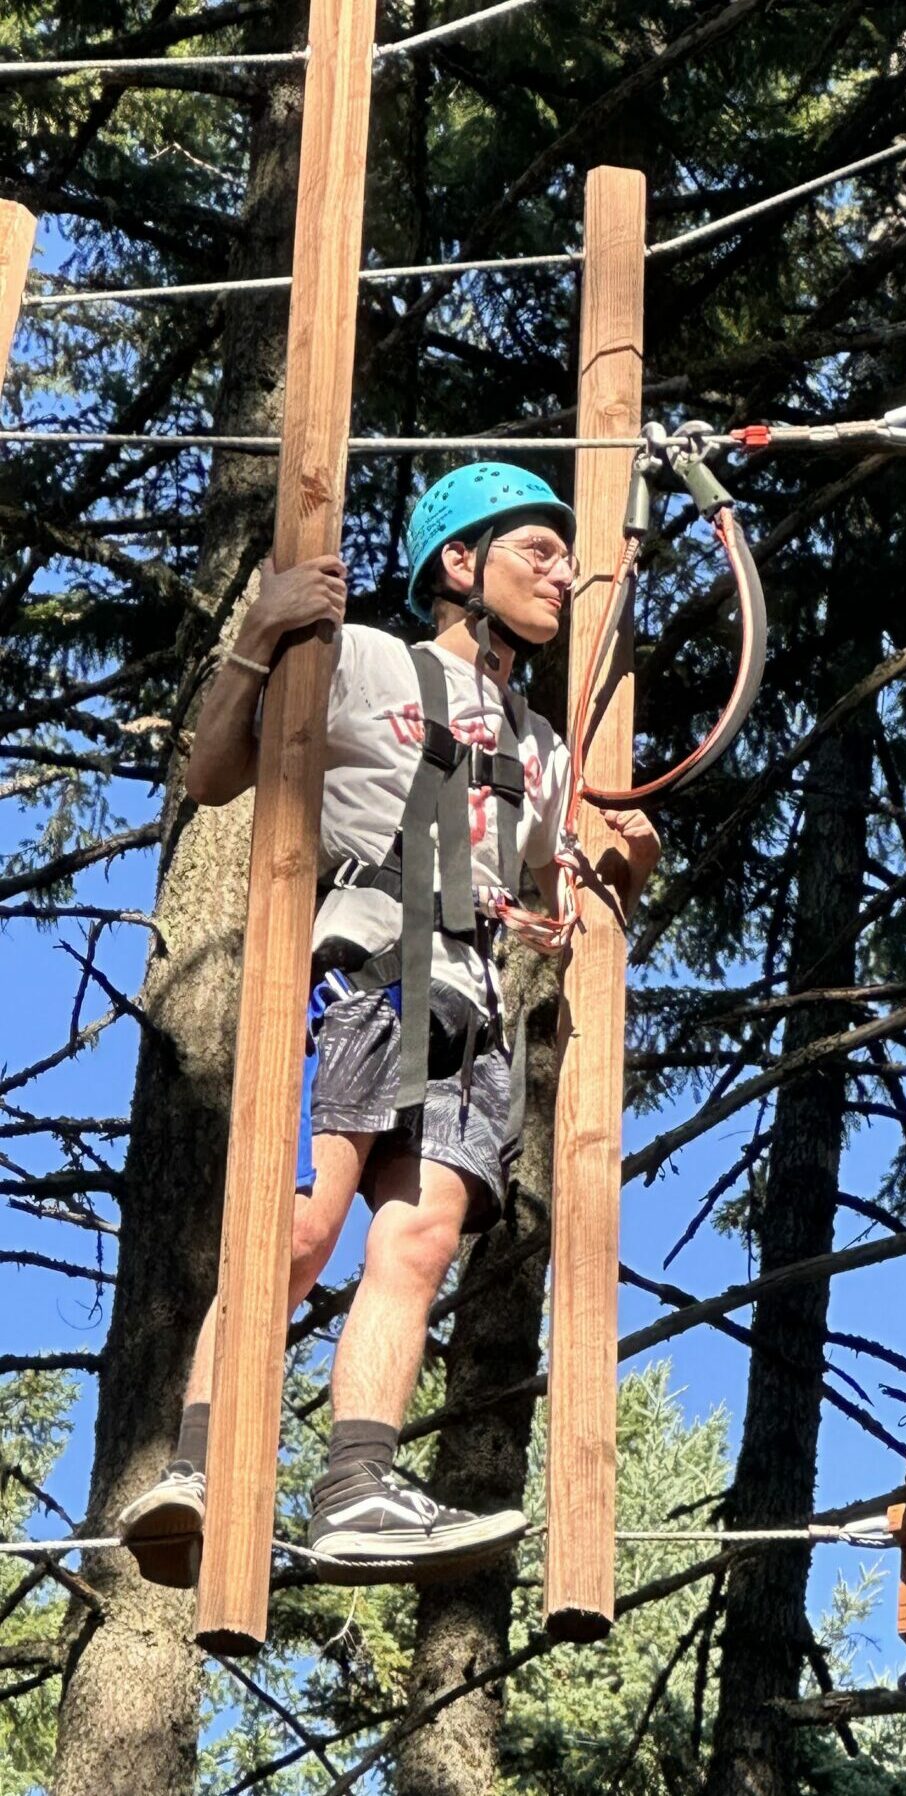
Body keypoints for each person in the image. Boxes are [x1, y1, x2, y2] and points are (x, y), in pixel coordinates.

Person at [117, 464, 659, 1584]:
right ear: (461, 564)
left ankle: (355, 1487)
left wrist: (623, 874)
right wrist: (259, 638)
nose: (563, 575)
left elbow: (549, 898)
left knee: (415, 1241)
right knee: (307, 1219)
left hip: (468, 1002)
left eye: (567, 555)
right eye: (537, 552)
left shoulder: (545, 745)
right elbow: (216, 773)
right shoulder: (360, 658)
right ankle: (203, 1462)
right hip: (369, 963)